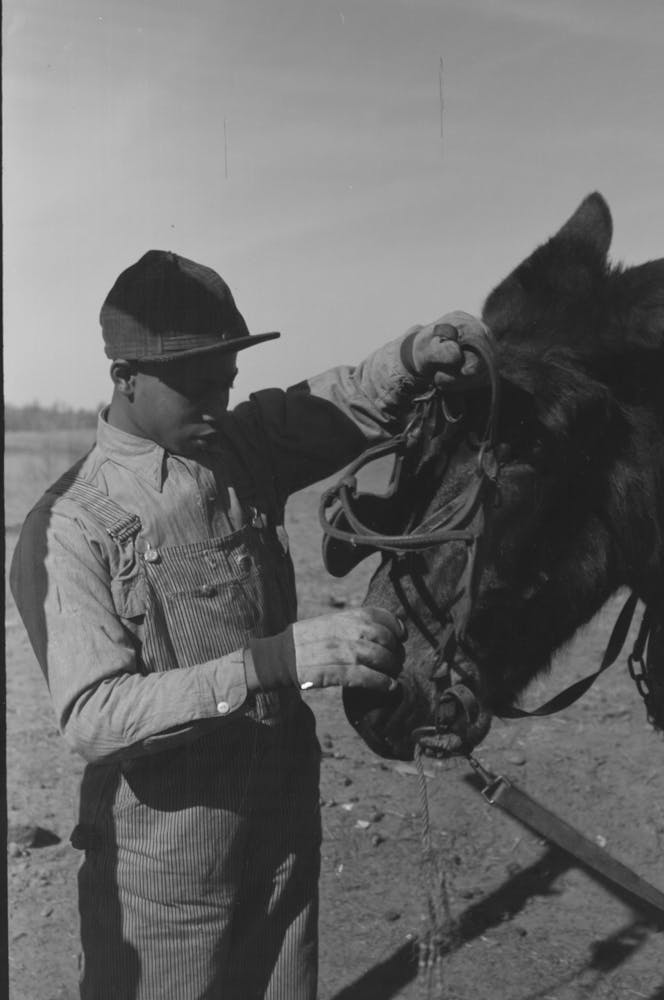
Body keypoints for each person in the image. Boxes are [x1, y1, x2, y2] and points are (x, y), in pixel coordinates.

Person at [10, 249, 486, 1000]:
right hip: (165, 882)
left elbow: (344, 403)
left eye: (227, 381)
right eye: (197, 387)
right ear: (125, 377)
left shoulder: (242, 446)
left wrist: (415, 355)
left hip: (282, 837)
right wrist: (275, 661)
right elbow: (94, 717)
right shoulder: (68, 528)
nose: (218, 404)